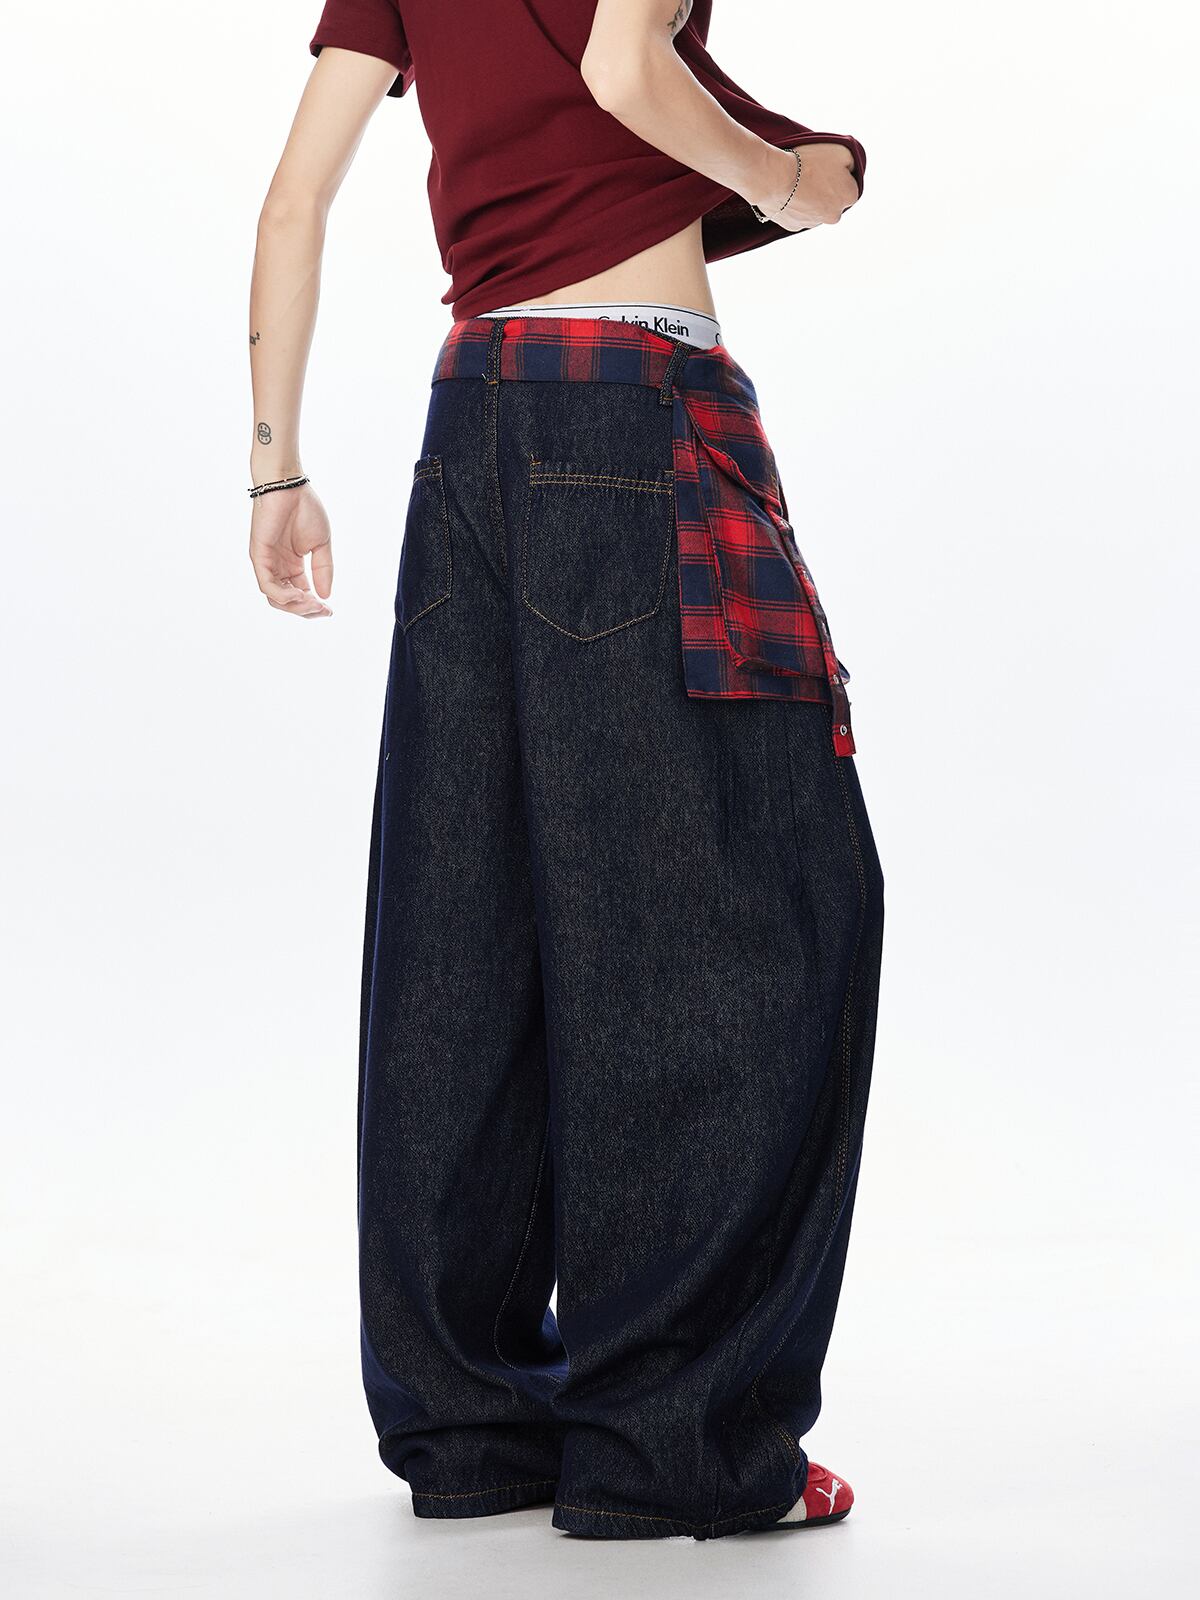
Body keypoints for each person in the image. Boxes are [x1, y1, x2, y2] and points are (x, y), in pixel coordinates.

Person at [247, 0, 884, 1543]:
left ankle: (471, 1427)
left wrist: (276, 470)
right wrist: (786, 182)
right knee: (755, 912)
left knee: (468, 933)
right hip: (637, 406)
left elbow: (294, 200)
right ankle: (675, 1441)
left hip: (470, 420)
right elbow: (621, 70)